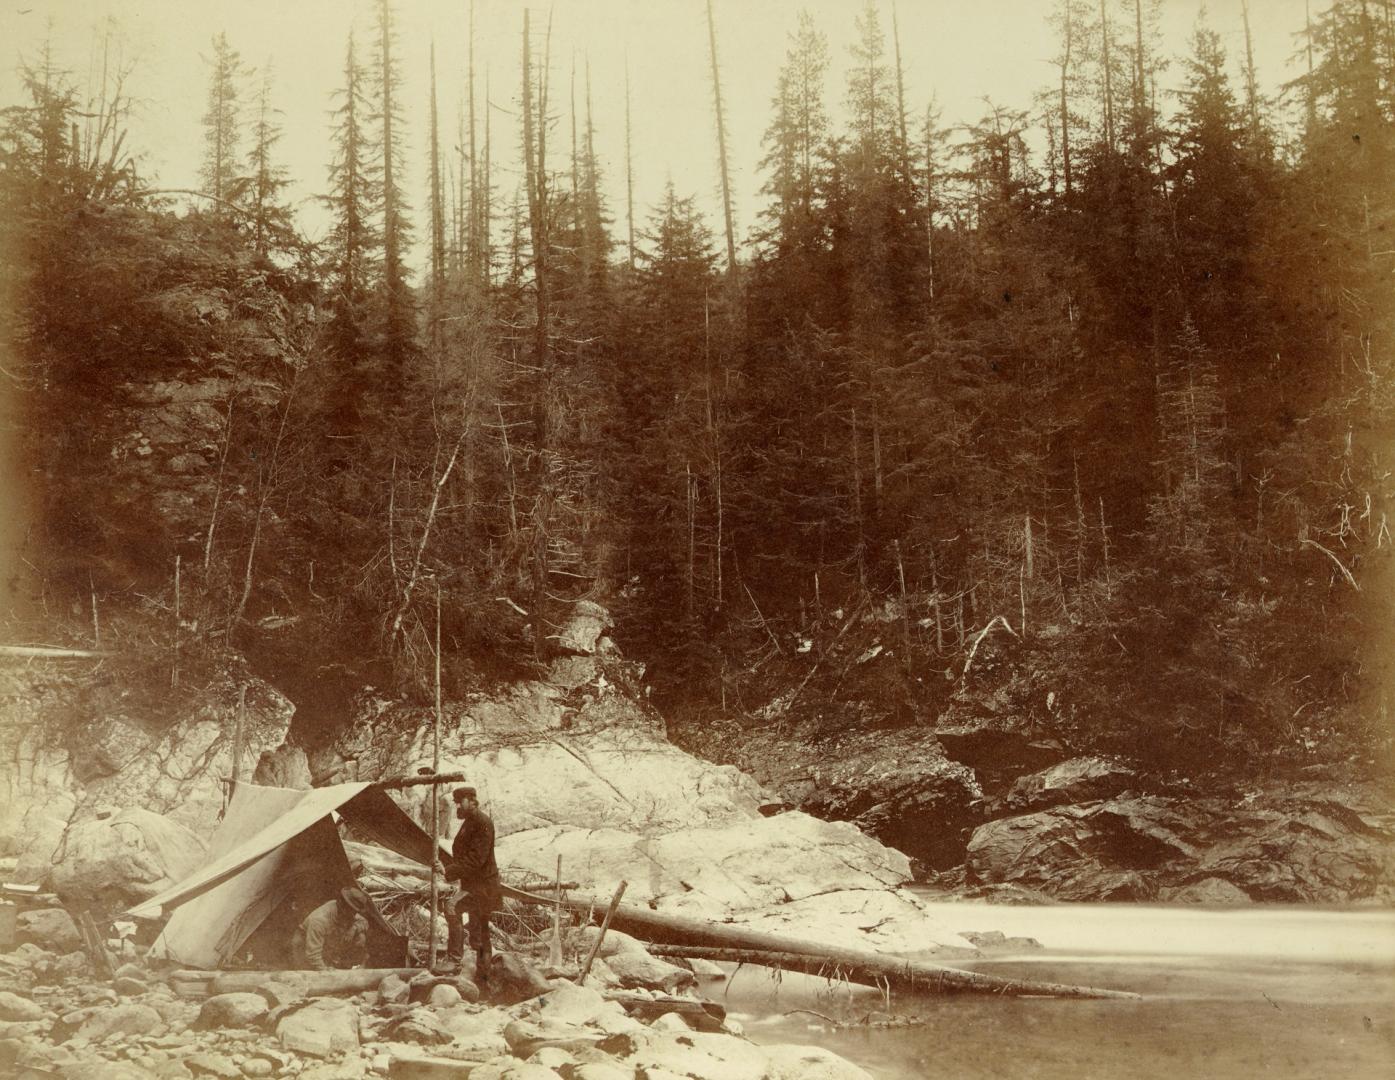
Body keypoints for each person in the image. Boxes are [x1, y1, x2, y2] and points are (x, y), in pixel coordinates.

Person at [439, 785, 500, 976]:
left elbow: (476, 859)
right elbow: (465, 855)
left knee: (452, 907)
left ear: (472, 801)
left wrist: (448, 870)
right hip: (477, 886)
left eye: (460, 802)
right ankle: (485, 975)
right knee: (479, 933)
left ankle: (454, 960)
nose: (457, 806)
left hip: (482, 887)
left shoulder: (482, 822)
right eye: (456, 802)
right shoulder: (471, 821)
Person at [291, 886, 370, 970]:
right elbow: (312, 954)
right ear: (341, 904)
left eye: (354, 912)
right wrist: (325, 970)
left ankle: (344, 965)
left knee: (361, 937)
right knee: (308, 974)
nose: (353, 915)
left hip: (325, 941)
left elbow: (364, 921)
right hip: (305, 943)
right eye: (351, 911)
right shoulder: (319, 920)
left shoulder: (347, 912)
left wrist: (354, 928)